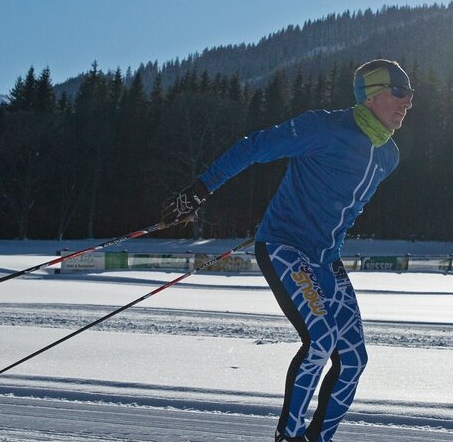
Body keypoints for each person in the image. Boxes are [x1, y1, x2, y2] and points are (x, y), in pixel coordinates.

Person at [161, 59, 413, 442]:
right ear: (372, 95)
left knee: (353, 360)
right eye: (400, 93)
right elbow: (257, 147)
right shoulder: (324, 127)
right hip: (284, 247)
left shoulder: (388, 156)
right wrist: (200, 188)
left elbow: (338, 203)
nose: (408, 102)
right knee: (320, 342)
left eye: (411, 96)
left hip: (326, 258)